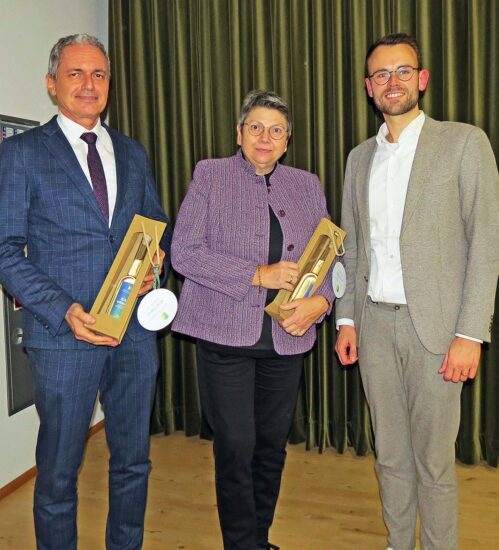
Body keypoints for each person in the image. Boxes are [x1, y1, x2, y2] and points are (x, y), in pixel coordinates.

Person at [0, 34, 171, 549]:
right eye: (75, 73)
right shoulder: (21, 153)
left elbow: (153, 225)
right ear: (52, 84)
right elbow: (5, 251)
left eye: (98, 74)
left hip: (133, 335)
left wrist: (154, 265)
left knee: (134, 463)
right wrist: (64, 310)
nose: (89, 84)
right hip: (62, 339)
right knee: (58, 475)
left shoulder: (133, 152)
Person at [335, 33, 499, 550]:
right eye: (381, 74)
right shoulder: (359, 159)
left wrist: (470, 333)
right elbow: (351, 248)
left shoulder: (465, 143)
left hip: (437, 331)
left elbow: (486, 243)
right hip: (374, 327)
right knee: (389, 456)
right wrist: (346, 319)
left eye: (403, 71)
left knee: (434, 462)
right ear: (369, 87)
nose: (393, 82)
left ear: (422, 79)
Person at [171, 90, 337, 550]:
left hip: (286, 341)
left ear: (288, 139)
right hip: (225, 339)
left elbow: (329, 255)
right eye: (256, 127)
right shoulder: (211, 174)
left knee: (270, 448)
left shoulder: (307, 185)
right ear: (239, 133)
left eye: (276, 130)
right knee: (236, 448)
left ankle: (258, 539)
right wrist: (257, 274)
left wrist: (322, 302)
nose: (265, 137)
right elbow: (184, 253)